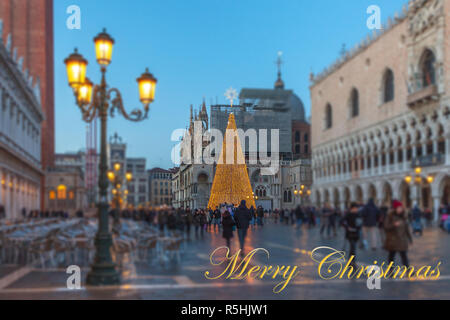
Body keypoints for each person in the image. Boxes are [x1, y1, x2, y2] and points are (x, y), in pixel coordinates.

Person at [384, 200, 412, 268]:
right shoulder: (390, 216)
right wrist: (394, 225)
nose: (400, 209)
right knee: (391, 256)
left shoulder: (404, 216)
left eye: (401, 207)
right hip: (393, 240)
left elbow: (406, 229)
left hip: (402, 240)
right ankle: (391, 270)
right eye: (398, 208)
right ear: (395, 208)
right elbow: (386, 227)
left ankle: (408, 270)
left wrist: (410, 238)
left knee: (404, 255)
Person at [342, 202, 362, 267]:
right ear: (352, 208)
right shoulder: (348, 214)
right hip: (350, 233)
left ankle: (351, 260)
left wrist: (359, 227)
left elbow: (360, 222)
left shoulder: (358, 214)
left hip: (356, 233)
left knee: (353, 248)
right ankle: (352, 261)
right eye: (356, 208)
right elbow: (342, 221)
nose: (357, 209)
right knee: (352, 247)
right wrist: (347, 227)